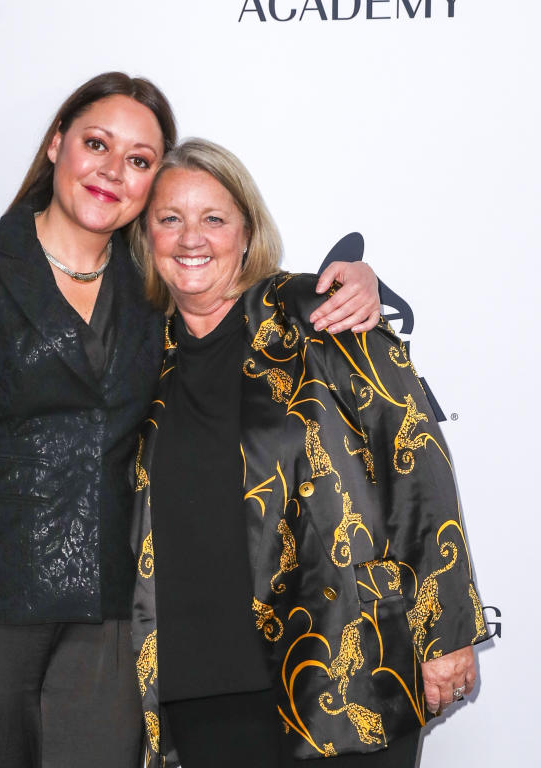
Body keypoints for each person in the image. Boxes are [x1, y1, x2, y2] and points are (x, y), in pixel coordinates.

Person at [0, 74, 383, 768]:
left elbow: (245, 300)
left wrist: (351, 280)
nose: (111, 170)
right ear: (57, 143)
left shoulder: (153, 283)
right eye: (96, 143)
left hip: (113, 615)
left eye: (139, 159)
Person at [129, 138, 488, 768]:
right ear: (145, 236)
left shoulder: (317, 316)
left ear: (247, 233)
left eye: (214, 218)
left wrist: (447, 630)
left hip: (341, 678)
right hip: (198, 694)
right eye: (169, 219)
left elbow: (415, 460)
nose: (192, 238)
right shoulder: (136, 353)